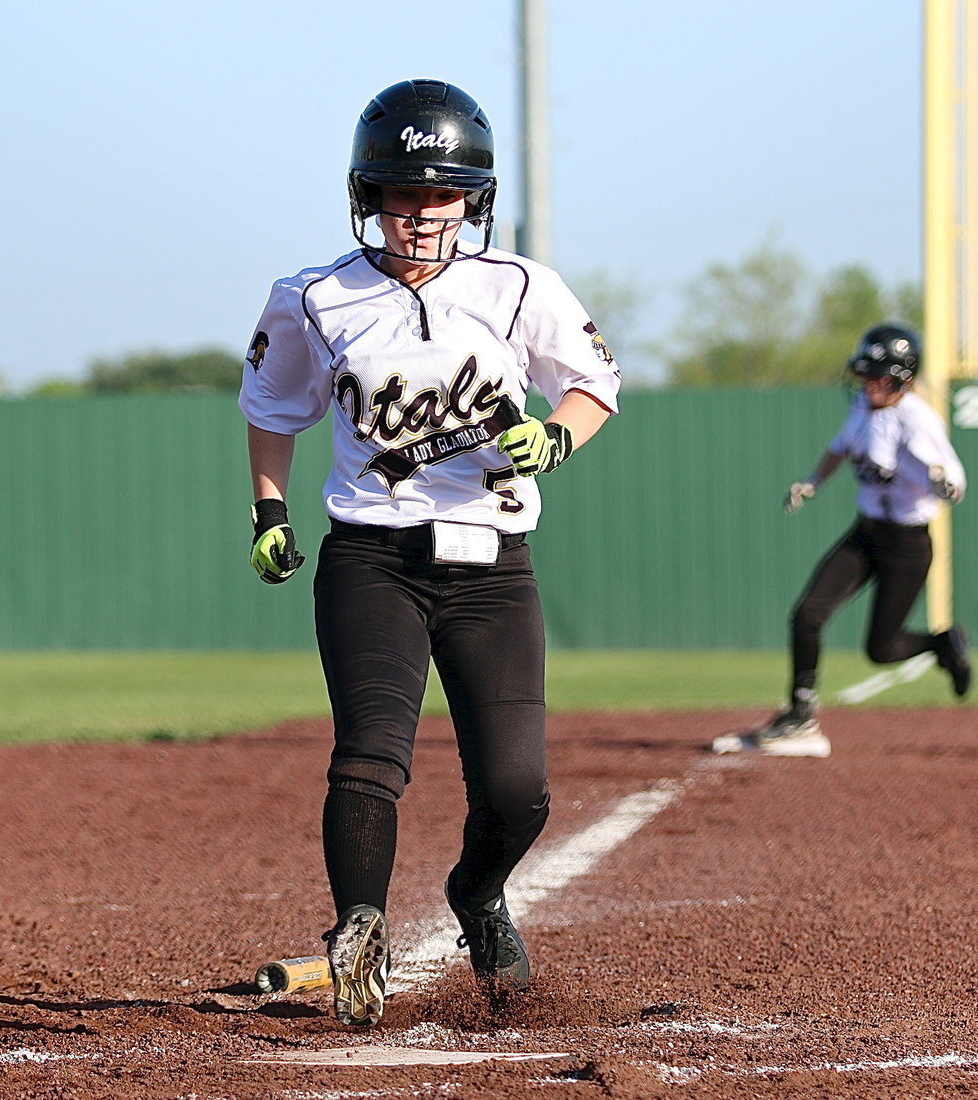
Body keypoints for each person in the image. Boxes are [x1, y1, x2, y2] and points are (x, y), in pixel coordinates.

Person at [238, 78, 620, 1026]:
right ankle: (358, 932)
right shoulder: (316, 297)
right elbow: (271, 409)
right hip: (372, 555)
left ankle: (477, 892)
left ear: (474, 199)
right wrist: (268, 512)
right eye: (402, 193)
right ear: (368, 195)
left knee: (518, 791)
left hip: (493, 566)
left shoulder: (519, 286)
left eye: (441, 193)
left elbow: (595, 382)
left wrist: (559, 436)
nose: (421, 213)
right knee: (369, 756)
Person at [713, 323, 971, 759]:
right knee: (807, 614)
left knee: (882, 649)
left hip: (908, 542)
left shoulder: (918, 421)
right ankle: (800, 714)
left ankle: (942, 643)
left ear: (904, 378)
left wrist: (944, 482)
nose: (870, 384)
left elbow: (955, 481)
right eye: (867, 375)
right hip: (867, 531)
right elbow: (841, 447)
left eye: (881, 377)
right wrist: (813, 480)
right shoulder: (861, 406)